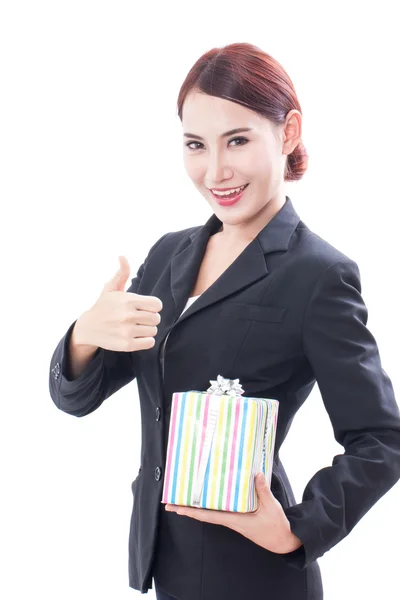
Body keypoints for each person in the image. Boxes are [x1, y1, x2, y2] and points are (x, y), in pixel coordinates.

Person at [49, 43, 400, 600]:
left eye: (237, 140)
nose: (215, 171)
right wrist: (84, 334)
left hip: (255, 570)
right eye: (196, 145)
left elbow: (382, 439)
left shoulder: (319, 274)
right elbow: (78, 399)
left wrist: (297, 529)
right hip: (165, 560)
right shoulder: (168, 256)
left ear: (287, 133)